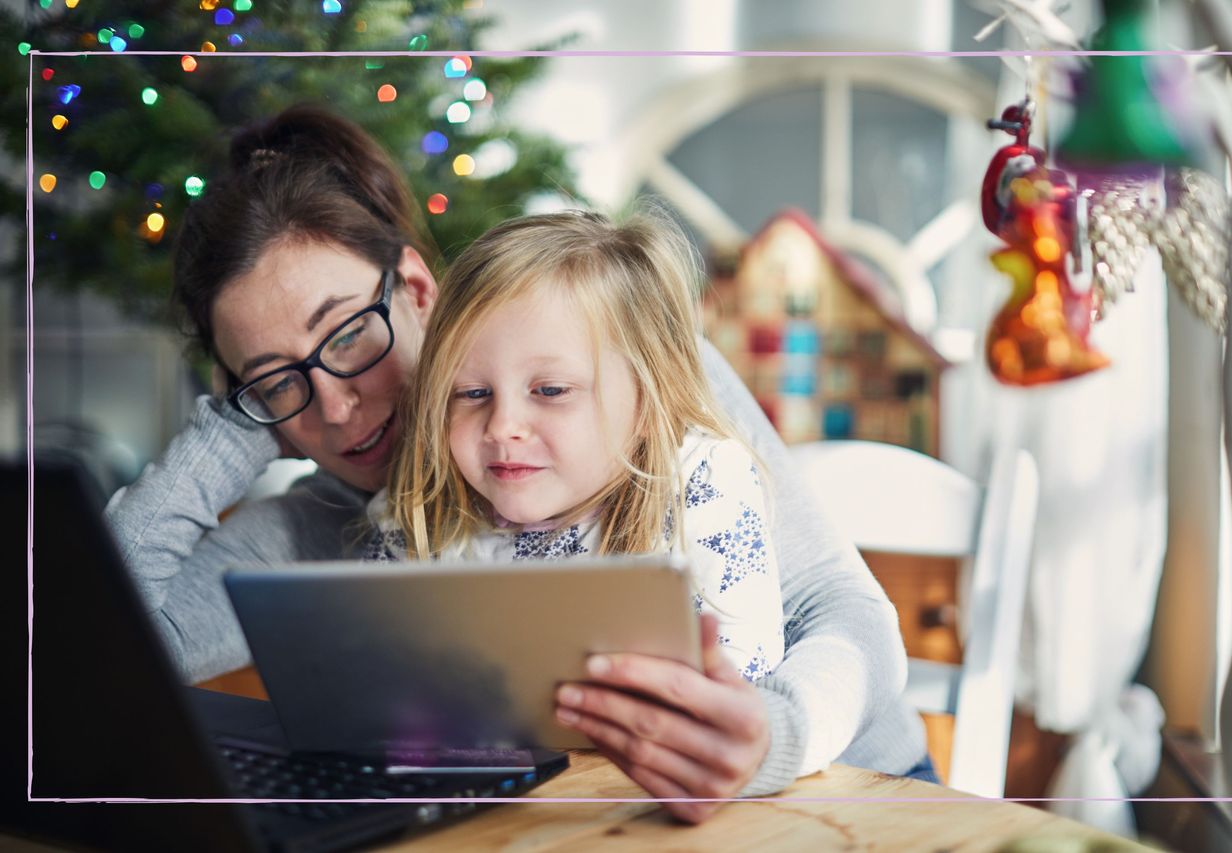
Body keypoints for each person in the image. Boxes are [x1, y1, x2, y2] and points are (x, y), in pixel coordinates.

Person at [103, 103, 931, 821]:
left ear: (418, 292)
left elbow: (843, 608)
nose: (335, 406)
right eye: (278, 381)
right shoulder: (326, 523)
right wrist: (238, 419)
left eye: (348, 334)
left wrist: (772, 736)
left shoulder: (619, 366)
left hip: (858, 791)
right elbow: (97, 644)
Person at [361, 210, 784, 685]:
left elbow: (744, 671)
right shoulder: (418, 517)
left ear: (648, 401)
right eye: (472, 393)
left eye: (551, 391)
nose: (502, 427)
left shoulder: (702, 482)